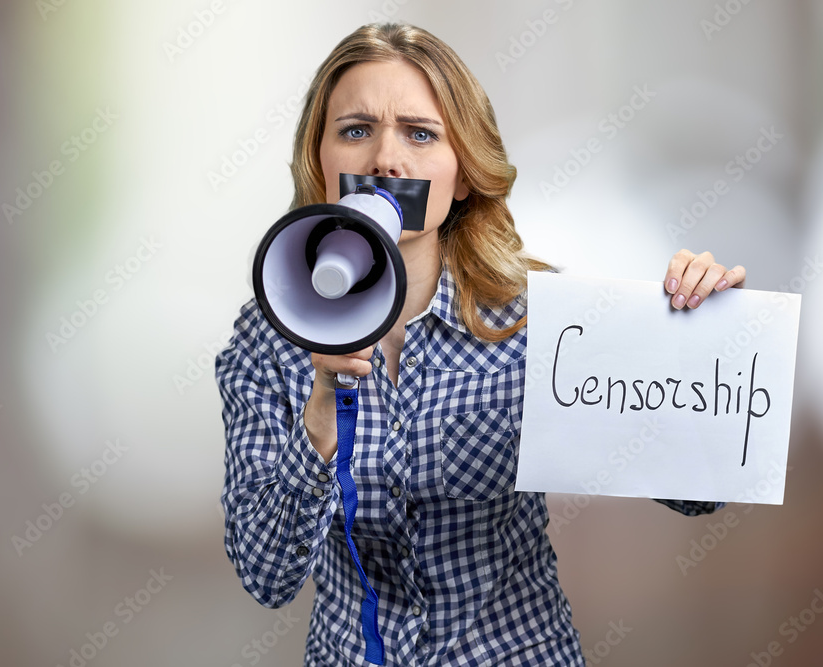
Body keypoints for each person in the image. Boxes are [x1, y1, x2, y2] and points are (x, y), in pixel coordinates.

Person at [215, 22, 746, 666]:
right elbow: (266, 576)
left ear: (463, 175)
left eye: (420, 133)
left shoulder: (540, 322)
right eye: (356, 130)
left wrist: (697, 335)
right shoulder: (268, 337)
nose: (386, 160)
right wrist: (322, 410)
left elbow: (699, 494)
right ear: (319, 161)